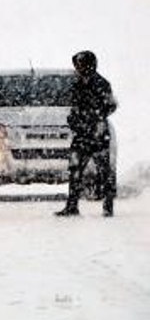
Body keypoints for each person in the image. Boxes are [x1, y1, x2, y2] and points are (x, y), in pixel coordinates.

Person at [56, 50, 118, 217]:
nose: (76, 68)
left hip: (98, 134)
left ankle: (108, 206)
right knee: (75, 169)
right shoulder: (77, 84)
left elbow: (111, 105)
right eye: (76, 64)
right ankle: (72, 206)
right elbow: (75, 106)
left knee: (104, 171)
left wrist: (95, 117)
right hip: (81, 135)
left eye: (79, 64)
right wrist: (73, 118)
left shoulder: (101, 83)